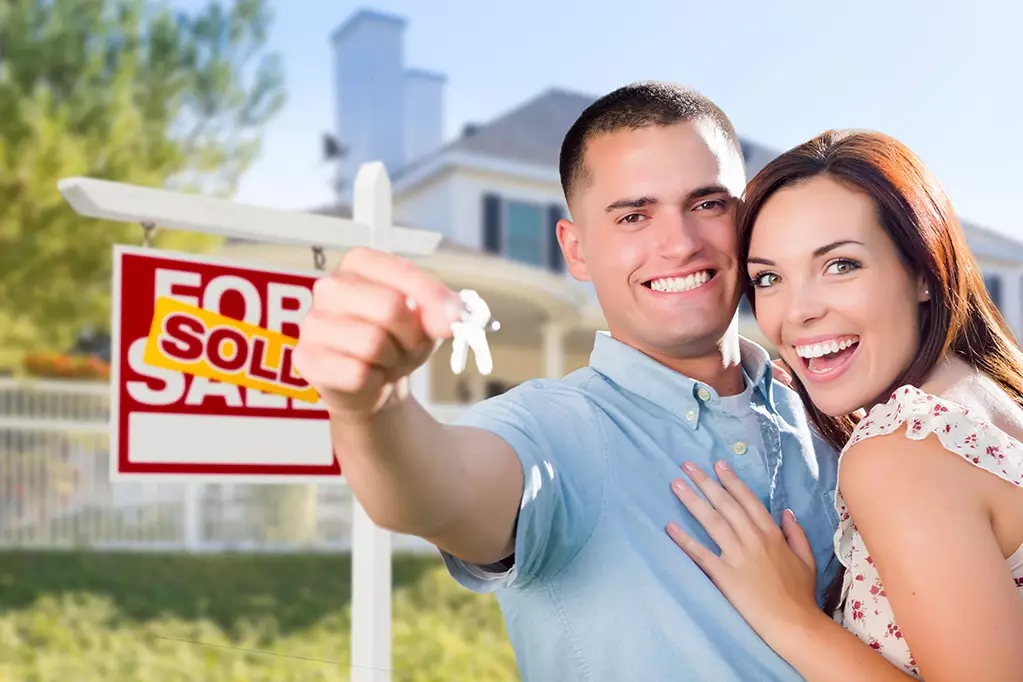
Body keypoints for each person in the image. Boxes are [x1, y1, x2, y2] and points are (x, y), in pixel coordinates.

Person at [293, 81, 840, 681]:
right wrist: (371, 408)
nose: (680, 243)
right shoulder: (554, 428)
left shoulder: (827, 412)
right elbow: (438, 489)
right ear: (575, 250)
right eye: (634, 215)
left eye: (708, 204)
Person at [665, 129, 1023, 681]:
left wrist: (788, 617)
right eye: (769, 278)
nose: (798, 312)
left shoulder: (902, 453)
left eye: (841, 265)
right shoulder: (985, 395)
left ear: (924, 271)